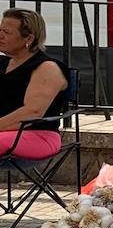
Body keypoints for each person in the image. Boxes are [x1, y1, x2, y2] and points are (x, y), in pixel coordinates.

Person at [0, 9, 69, 160]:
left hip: (38, 135)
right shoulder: (3, 63)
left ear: (29, 39)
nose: (0, 35)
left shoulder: (47, 67)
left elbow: (32, 112)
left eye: (6, 32)